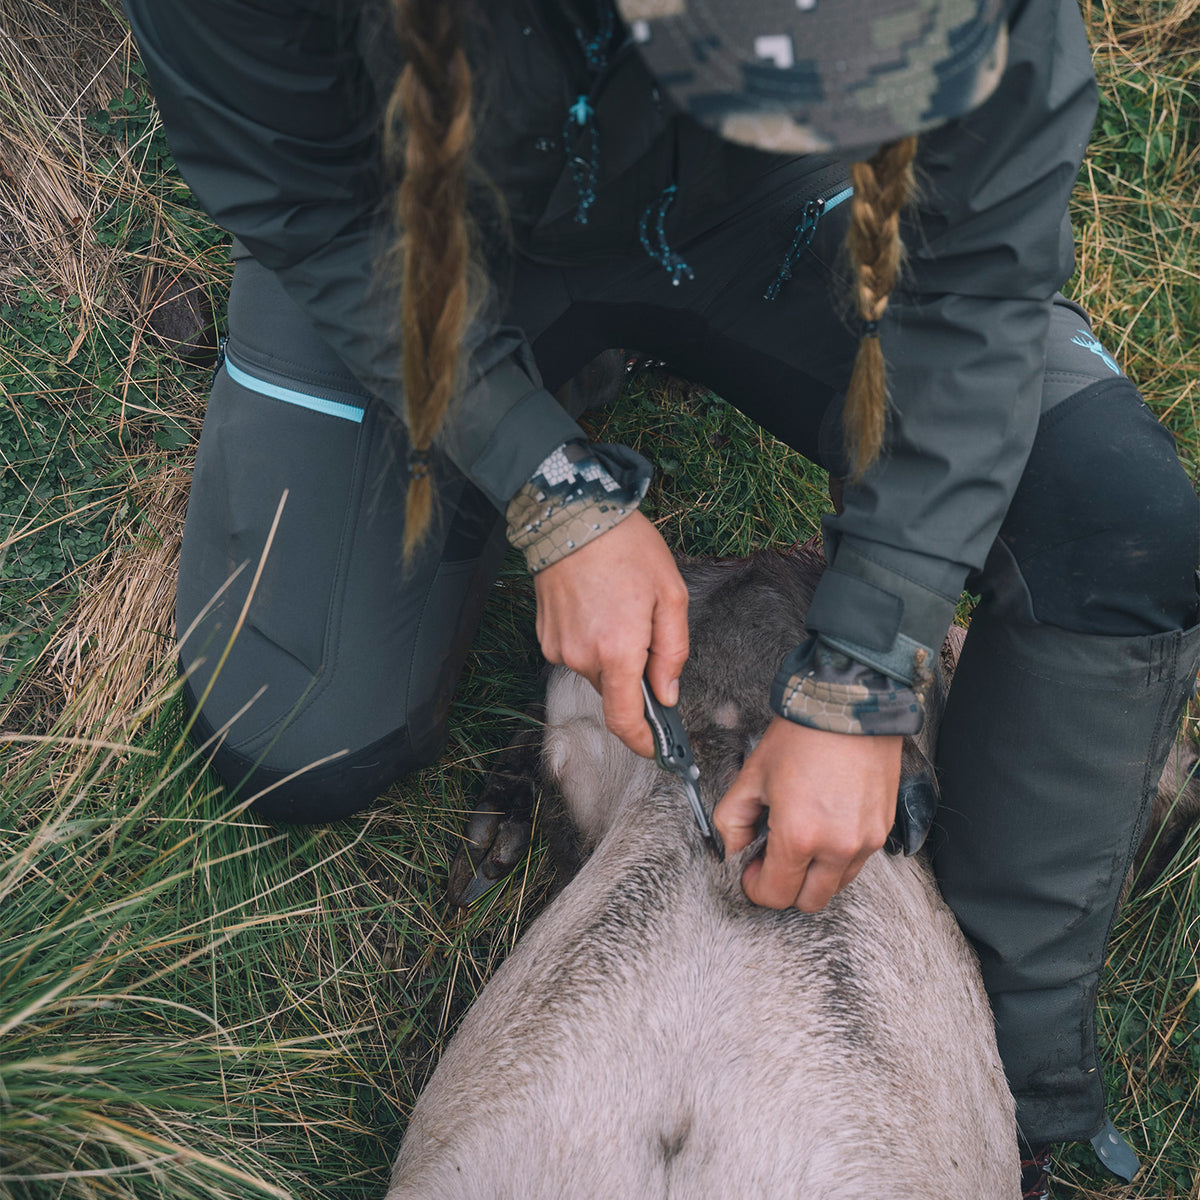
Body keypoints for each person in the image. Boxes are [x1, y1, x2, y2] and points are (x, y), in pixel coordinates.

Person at [122, 0, 1200, 1193]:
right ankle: (531, 371)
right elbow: (308, 197)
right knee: (298, 723)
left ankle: (1000, 1047)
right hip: (416, 213)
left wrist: (867, 666)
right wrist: (551, 487)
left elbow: (980, 277)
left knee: (1111, 527)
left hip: (774, 208)